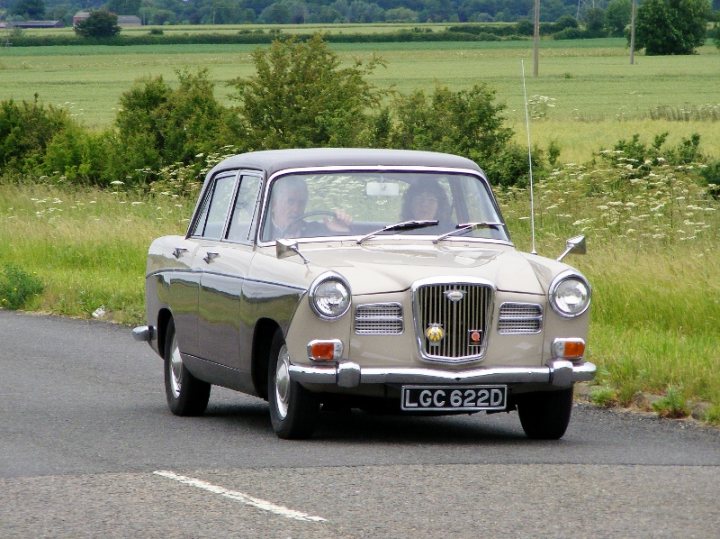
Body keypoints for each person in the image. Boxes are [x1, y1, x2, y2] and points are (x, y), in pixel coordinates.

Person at [264, 177, 351, 241]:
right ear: (274, 204)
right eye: (290, 202)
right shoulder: (263, 233)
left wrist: (340, 232)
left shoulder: (317, 231)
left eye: (301, 203)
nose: (296, 209)